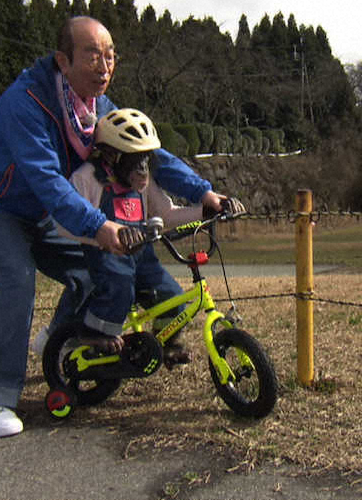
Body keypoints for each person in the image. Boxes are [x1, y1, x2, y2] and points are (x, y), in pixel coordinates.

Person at [0, 16, 229, 437]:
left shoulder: (96, 106)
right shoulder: (26, 101)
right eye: (93, 55)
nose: (105, 65)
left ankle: (59, 339)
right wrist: (99, 225)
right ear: (63, 60)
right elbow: (46, 179)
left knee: (92, 270)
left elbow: (146, 152)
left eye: (110, 55)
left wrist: (202, 192)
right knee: (17, 280)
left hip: (47, 210)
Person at [56, 108, 245, 364]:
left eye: (146, 159)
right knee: (119, 286)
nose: (143, 169)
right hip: (106, 255)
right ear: (112, 156)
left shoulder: (143, 185)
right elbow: (64, 224)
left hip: (142, 255)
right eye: (135, 160)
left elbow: (166, 214)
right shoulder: (87, 179)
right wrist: (101, 235)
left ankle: (165, 343)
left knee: (173, 297)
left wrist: (205, 210)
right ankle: (93, 334)